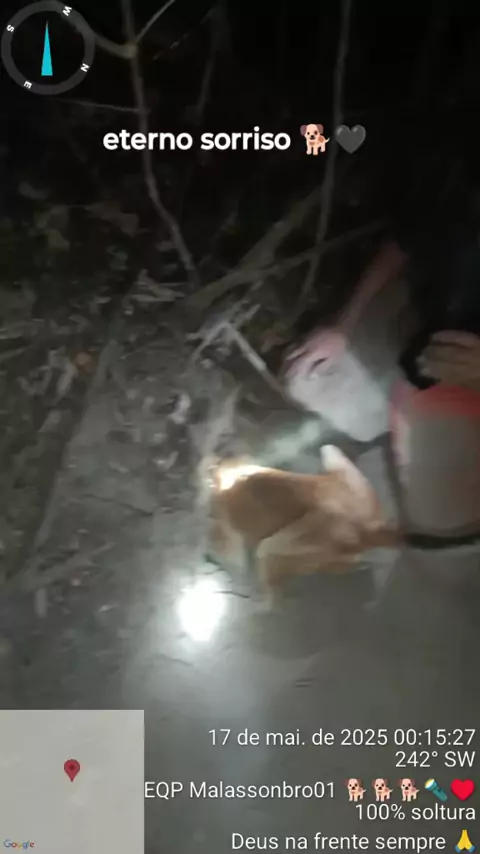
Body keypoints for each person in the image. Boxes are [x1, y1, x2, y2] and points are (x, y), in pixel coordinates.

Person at [282, 131, 480, 544]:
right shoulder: (459, 178)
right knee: (310, 378)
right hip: (427, 323)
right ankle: (391, 442)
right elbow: (403, 243)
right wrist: (342, 327)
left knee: (444, 521)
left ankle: (426, 471)